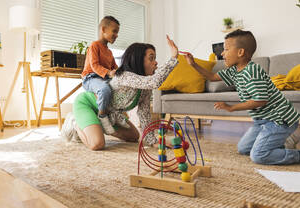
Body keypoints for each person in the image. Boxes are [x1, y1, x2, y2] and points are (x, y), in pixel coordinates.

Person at [185, 29, 300, 165]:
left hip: (279, 120)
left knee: (258, 156)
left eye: (226, 49)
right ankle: (280, 143)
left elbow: (260, 101)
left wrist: (231, 108)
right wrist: (193, 64)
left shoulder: (252, 71)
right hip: (261, 121)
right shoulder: (234, 70)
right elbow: (212, 76)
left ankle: (295, 153)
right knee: (243, 148)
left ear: (240, 52)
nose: (222, 53)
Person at [62, 36, 179, 150]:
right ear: (138, 60)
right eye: (151, 58)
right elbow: (154, 82)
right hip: (88, 104)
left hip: (109, 114)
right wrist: (173, 58)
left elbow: (144, 113)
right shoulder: (124, 76)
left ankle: (98, 125)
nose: (156, 62)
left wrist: (152, 142)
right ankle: (76, 123)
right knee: (97, 144)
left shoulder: (145, 88)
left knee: (134, 136)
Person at [81, 16, 120, 135]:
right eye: (114, 31)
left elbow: (115, 67)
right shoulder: (94, 45)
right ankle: (102, 116)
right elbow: (94, 65)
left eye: (117, 32)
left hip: (104, 78)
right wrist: (109, 72)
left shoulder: (109, 52)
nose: (116, 35)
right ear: (103, 29)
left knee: (119, 90)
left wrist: (120, 72)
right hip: (91, 78)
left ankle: (116, 114)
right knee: (104, 90)